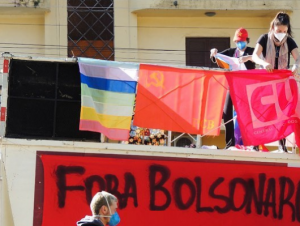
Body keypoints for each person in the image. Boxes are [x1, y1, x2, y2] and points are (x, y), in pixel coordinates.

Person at [252, 12, 300, 152]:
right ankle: (256, 144)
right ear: (273, 27)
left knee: (281, 114)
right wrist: (263, 62)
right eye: (279, 31)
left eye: (284, 31)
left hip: (281, 82)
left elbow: (298, 58)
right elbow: (255, 56)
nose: (282, 34)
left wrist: (296, 66)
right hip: (264, 81)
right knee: (261, 113)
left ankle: (282, 145)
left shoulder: (290, 41)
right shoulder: (264, 38)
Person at [210, 27, 256, 149]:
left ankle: (253, 144)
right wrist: (213, 52)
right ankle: (229, 143)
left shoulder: (252, 51)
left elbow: (260, 57)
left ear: (247, 40)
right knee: (227, 113)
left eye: (242, 41)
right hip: (233, 85)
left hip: (248, 87)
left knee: (249, 115)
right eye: (237, 41)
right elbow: (217, 57)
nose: (239, 43)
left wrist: (249, 57)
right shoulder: (231, 51)